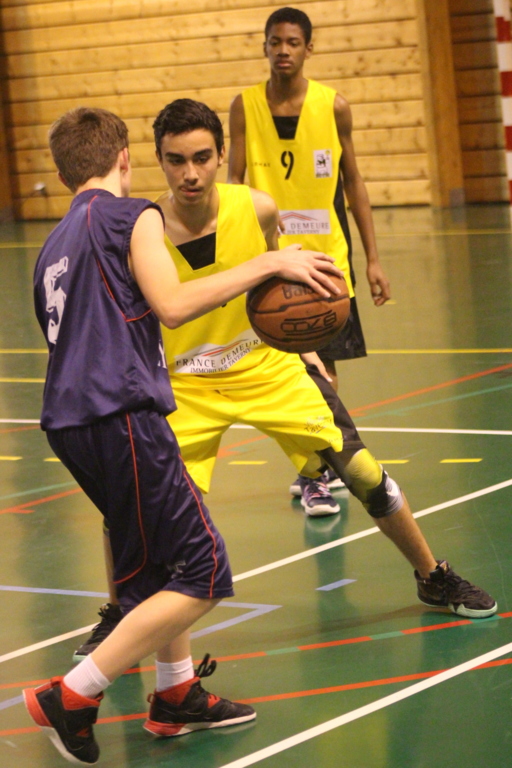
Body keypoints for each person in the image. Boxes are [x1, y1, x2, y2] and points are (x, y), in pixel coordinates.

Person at [74, 97, 496, 665]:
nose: (190, 173)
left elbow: (280, 287)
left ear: (222, 155)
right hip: (186, 386)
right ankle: (120, 611)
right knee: (132, 505)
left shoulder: (258, 208)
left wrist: (307, 347)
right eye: (176, 160)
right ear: (158, 160)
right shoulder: (141, 229)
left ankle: (432, 574)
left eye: (202, 157)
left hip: (265, 365)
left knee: (363, 472)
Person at [23, 106, 342, 765]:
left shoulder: (53, 246)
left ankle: (175, 695)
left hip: (69, 424)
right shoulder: (131, 214)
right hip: (122, 415)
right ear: (125, 160)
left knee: (154, 568)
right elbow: (171, 305)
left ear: (63, 171)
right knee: (203, 570)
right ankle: (74, 694)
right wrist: (267, 264)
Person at [228, 5, 391, 514]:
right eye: (275, 42)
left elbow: (354, 182)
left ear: (308, 49)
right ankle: (315, 471)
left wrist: (373, 259)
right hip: (270, 262)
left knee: (325, 374)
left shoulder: (333, 106)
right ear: (264, 47)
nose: (283, 50)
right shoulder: (244, 107)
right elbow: (233, 184)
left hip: (326, 262)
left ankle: (314, 473)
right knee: (285, 375)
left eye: (293, 42)